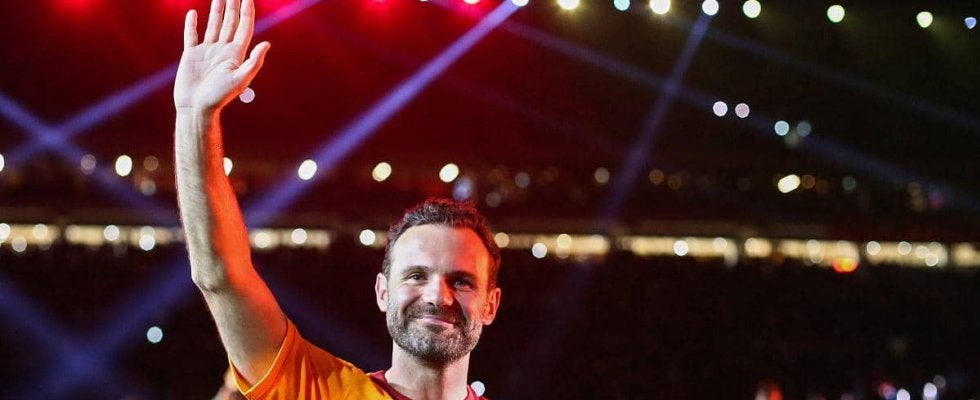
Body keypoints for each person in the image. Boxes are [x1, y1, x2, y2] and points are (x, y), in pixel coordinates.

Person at [173, 1, 503, 399]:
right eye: (416, 276)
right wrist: (195, 119)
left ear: (490, 304)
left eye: (462, 281)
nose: (437, 296)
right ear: (382, 291)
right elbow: (220, 276)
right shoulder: (320, 390)